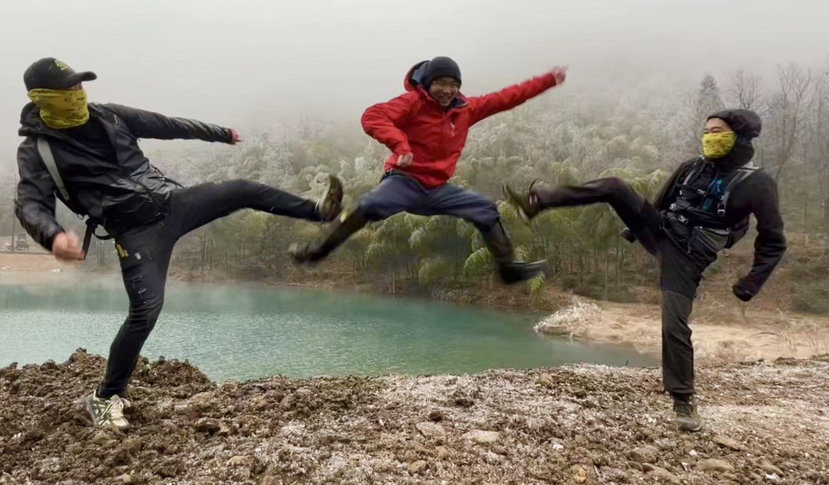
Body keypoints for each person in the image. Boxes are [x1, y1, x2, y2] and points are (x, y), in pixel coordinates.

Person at [15, 58, 344, 430]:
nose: (78, 93)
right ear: (43, 97)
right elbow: (30, 204)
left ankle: (320, 211)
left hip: (173, 203)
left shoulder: (110, 116)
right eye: (69, 88)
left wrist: (220, 133)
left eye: (79, 85)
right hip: (136, 234)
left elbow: (168, 124)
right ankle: (106, 397)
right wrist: (54, 236)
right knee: (145, 312)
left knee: (241, 190)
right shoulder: (37, 151)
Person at [504, 109, 786, 432]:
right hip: (661, 229)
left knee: (674, 324)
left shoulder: (757, 183)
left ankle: (683, 402)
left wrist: (752, 281)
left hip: (687, 257)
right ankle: (537, 202)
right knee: (613, 186)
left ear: (739, 137)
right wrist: (636, 226)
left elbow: (773, 240)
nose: (709, 137)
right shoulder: (691, 167)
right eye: (706, 131)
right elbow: (662, 201)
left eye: (717, 131)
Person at [290, 56, 567, 284]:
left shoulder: (467, 109)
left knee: (485, 209)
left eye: (453, 84)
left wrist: (549, 80)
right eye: (440, 83)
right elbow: (372, 116)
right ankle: (317, 251)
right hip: (404, 182)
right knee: (368, 205)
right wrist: (400, 145)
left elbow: (509, 96)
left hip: (437, 189)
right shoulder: (414, 103)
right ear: (428, 83)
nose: (447, 90)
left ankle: (508, 269)